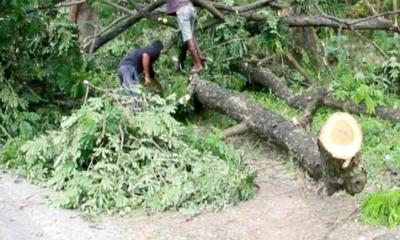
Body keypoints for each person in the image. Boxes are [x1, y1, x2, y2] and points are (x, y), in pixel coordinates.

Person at [166, 0, 203, 73]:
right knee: (191, 35)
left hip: (182, 11)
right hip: (191, 8)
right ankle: (200, 57)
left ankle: (198, 65)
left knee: (188, 38)